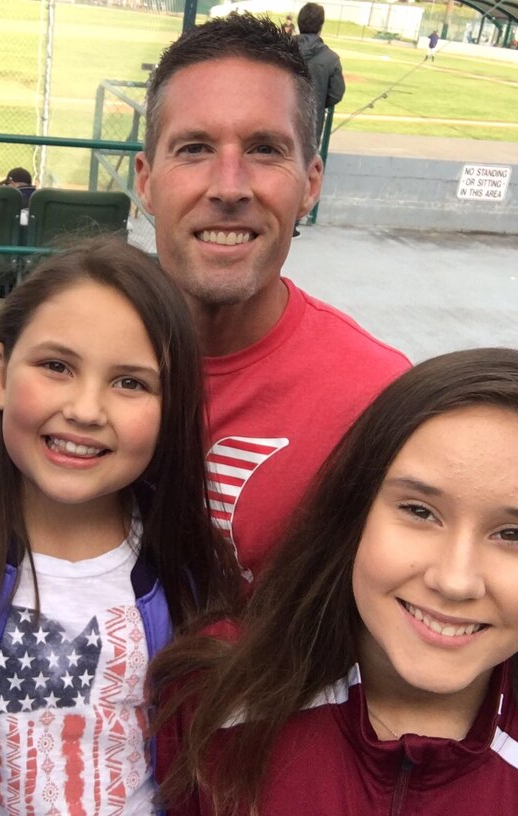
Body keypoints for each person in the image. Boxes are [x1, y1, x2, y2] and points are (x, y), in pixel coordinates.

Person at [153, 348, 518, 814]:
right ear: (355, 506)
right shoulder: (212, 696)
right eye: (419, 511)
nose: (454, 580)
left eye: (515, 534)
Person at [0, 236, 241, 815]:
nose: (85, 409)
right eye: (56, 366)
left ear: (170, 408)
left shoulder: (192, 572)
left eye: (131, 382)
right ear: (0, 373)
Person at [134, 12, 408, 578]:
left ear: (310, 184)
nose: (229, 187)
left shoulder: (378, 403)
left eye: (264, 149)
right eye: (193, 149)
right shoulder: (62, 358)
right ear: (145, 180)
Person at [297, 3, 345, 150]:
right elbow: (336, 94)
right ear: (321, 25)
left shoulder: (277, 49)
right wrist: (318, 102)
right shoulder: (330, 59)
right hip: (311, 125)